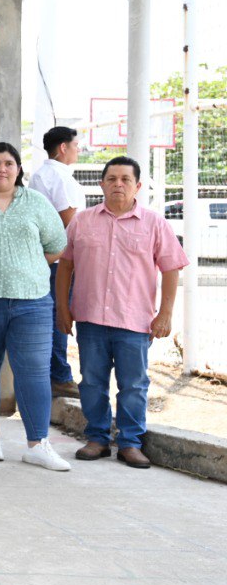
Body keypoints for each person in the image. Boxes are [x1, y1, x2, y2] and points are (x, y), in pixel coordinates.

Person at [57, 156, 188, 469]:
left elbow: (171, 268)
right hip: (90, 319)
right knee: (91, 382)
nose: (118, 184)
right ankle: (97, 439)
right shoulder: (82, 221)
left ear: (137, 186)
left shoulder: (155, 223)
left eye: (125, 179)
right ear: (101, 184)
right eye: (112, 179)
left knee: (133, 385)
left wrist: (165, 314)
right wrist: (62, 307)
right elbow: (66, 265)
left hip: (134, 321)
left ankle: (130, 443)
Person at [0, 143, 71, 471]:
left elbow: (57, 246)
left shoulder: (36, 202)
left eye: (9, 163)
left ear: (19, 169)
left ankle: (38, 444)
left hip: (32, 303)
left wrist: (27, 266)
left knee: (34, 371)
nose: (2, 169)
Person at [28, 126, 87, 397]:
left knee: (53, 316)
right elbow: (69, 221)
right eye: (75, 145)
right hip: (60, 260)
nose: (79, 149)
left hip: (48, 257)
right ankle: (60, 376)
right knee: (59, 316)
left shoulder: (42, 174)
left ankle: (56, 374)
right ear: (63, 148)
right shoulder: (60, 177)